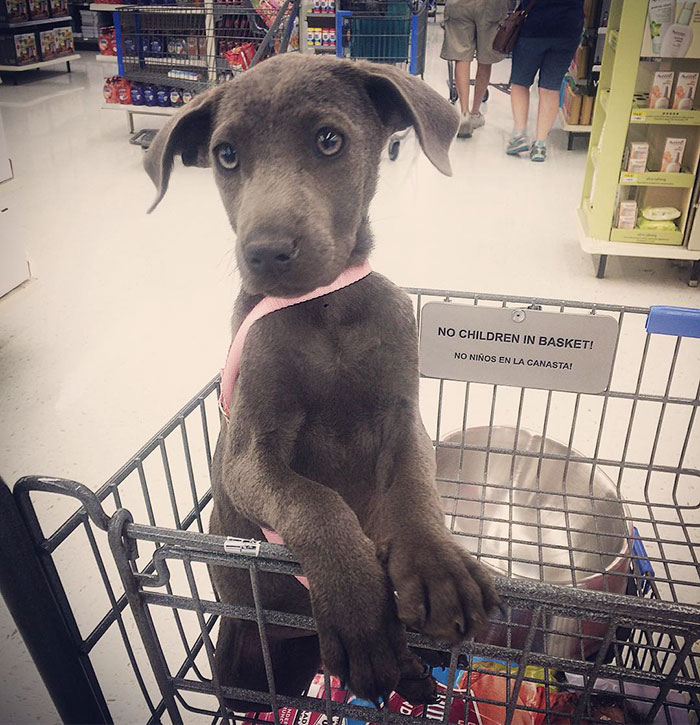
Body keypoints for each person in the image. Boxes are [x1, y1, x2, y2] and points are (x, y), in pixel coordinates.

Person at [507, 0, 585, 161]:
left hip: (533, 27)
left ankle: (519, 134)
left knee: (520, 83)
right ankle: (540, 145)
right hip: (568, 29)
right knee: (550, 88)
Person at [441, 0, 510, 138]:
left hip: (459, 5)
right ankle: (474, 113)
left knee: (461, 56)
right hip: (490, 5)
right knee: (485, 59)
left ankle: (464, 112)